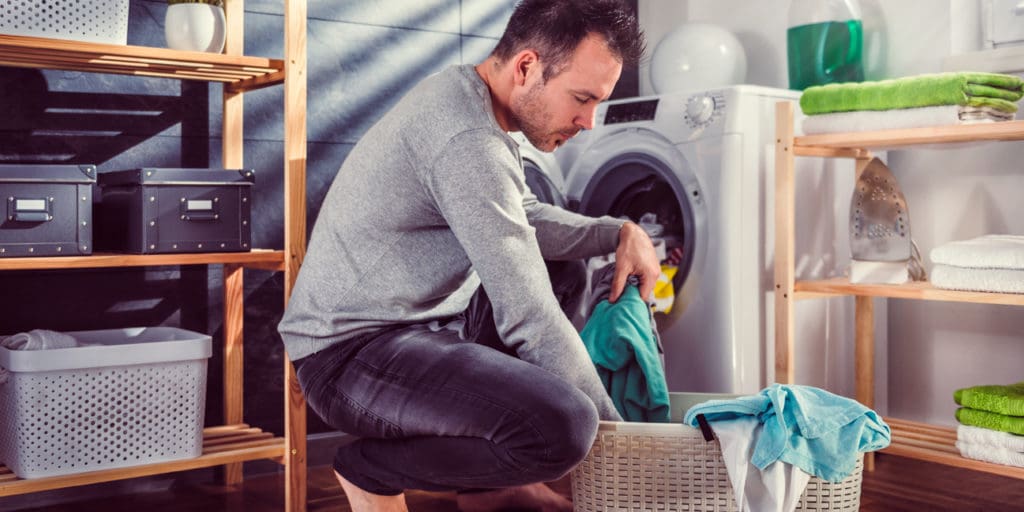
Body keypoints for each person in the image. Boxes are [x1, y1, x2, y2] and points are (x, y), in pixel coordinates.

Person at [277, 1, 657, 510]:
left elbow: (519, 216)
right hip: (348, 356)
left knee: (561, 267)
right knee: (564, 427)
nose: (588, 121)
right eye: (581, 99)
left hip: (419, 330)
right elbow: (532, 318)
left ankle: (495, 489)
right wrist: (628, 454)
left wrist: (619, 232)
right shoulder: (466, 137)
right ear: (526, 67)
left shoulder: (473, 101)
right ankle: (371, 471)